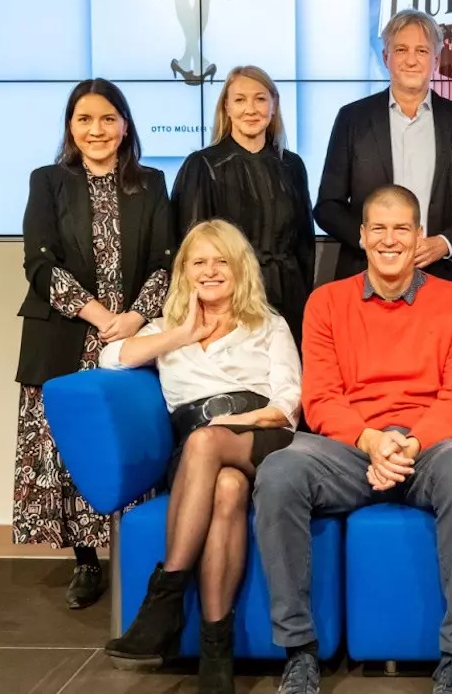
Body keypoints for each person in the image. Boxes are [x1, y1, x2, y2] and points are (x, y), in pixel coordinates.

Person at [255, 185, 452, 694]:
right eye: (378, 228)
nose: (389, 239)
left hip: (429, 448)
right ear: (361, 236)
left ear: (419, 235)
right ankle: (298, 653)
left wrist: (407, 442)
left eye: (401, 228)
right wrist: (371, 440)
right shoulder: (326, 302)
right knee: (278, 471)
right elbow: (319, 398)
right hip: (349, 449)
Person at [98, 220, 300, 694]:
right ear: (184, 271)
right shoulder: (166, 330)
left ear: (239, 268)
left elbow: (288, 404)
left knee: (208, 443)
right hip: (196, 459)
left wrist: (225, 429)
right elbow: (110, 357)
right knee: (226, 489)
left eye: (221, 261)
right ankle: (216, 653)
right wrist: (182, 334)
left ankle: (165, 597)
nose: (210, 271)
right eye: (199, 262)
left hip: (260, 440)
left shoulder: (268, 325)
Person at [14, 78, 174, 609]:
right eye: (84, 119)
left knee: (131, 448)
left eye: (107, 118)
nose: (96, 130)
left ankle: (136, 555)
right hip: (64, 336)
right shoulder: (48, 182)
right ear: (70, 127)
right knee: (68, 454)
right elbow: (38, 262)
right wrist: (99, 314)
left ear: (125, 125)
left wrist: (133, 317)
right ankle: (85, 564)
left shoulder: (151, 185)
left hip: (129, 341)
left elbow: (166, 262)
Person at [315, 9, 452, 288]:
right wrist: (372, 242)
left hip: (442, 278)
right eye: (401, 49)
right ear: (386, 58)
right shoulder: (352, 119)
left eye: (421, 50)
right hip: (365, 276)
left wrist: (444, 244)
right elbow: (327, 206)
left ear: (435, 59)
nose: (411, 60)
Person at [172, 66, 316, 346]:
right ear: (226, 106)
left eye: (260, 99)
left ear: (274, 106)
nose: (250, 109)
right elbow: (189, 249)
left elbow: (305, 246)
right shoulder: (201, 165)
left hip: (289, 299)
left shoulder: (293, 165)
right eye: (240, 99)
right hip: (228, 303)